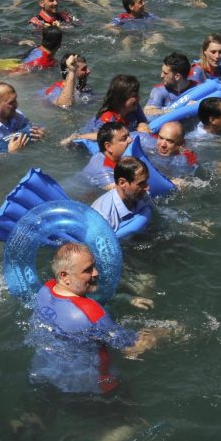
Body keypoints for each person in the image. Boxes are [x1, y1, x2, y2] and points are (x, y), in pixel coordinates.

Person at [27, 243, 168, 394]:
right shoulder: (91, 313)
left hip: (45, 375)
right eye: (87, 270)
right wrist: (163, 330)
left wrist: (126, 298)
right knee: (134, 418)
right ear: (64, 276)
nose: (96, 273)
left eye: (94, 266)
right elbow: (131, 347)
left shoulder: (45, 290)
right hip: (92, 387)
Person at [62, 74, 150, 144]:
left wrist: (142, 124)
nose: (139, 98)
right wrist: (76, 137)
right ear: (121, 99)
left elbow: (143, 122)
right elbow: (99, 136)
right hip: (84, 139)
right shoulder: (108, 118)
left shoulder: (134, 107)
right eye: (134, 96)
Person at [91, 157, 153, 231]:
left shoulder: (144, 196)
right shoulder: (103, 217)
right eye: (141, 183)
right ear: (122, 183)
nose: (147, 187)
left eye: (146, 181)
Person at [80, 121, 132, 189]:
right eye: (124, 139)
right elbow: (121, 192)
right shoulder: (103, 170)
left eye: (129, 136)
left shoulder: (111, 157)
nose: (130, 140)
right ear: (108, 147)